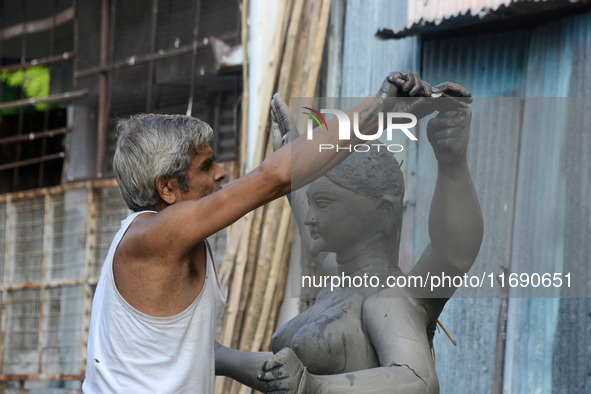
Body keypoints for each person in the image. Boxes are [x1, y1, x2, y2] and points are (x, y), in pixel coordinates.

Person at [82, 71, 434, 393]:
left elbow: (290, 197)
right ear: (168, 188)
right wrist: (380, 107)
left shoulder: (164, 238)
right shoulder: (154, 236)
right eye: (206, 166)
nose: (221, 173)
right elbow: (272, 178)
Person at [215, 85, 482, 393]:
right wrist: (292, 163)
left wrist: (452, 164)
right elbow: (310, 231)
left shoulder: (388, 299)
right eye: (311, 202)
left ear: (383, 211)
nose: (311, 216)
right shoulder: (340, 282)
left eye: (324, 203)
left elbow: (418, 379)